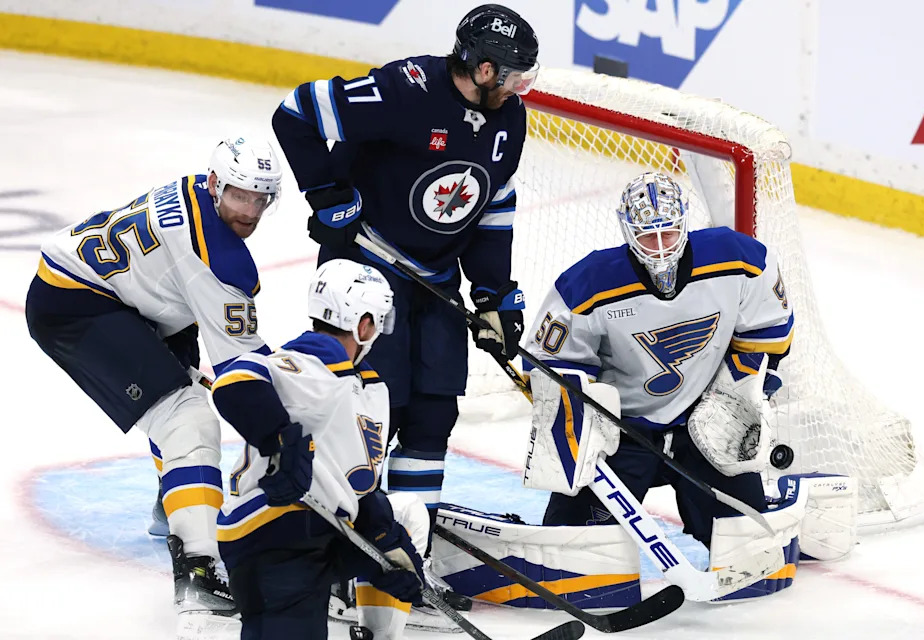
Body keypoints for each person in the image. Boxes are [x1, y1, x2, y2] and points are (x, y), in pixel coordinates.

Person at [271, 5, 539, 557]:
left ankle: (406, 549)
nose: (520, 87)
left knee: (432, 416)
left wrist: (493, 294)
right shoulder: (405, 89)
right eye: (513, 76)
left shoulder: (510, 118)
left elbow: (493, 203)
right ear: (483, 70)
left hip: (436, 284)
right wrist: (327, 195)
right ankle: (334, 545)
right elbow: (294, 112)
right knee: (367, 411)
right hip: (368, 275)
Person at [24, 136, 282, 619]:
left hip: (135, 298)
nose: (249, 210)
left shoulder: (195, 195)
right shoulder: (218, 262)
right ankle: (199, 572)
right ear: (216, 186)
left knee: (179, 400)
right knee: (186, 418)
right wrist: (285, 428)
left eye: (259, 197)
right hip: (77, 305)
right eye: (239, 195)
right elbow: (242, 373)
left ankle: (179, 503)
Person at [523, 172, 795, 549]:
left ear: (684, 222)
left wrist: (735, 399)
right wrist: (593, 422)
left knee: (747, 542)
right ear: (627, 231)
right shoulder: (587, 285)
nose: (661, 247)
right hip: (623, 433)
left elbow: (771, 334)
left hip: (708, 424)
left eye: (668, 232)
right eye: (648, 236)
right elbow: (549, 365)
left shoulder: (739, 260)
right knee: (576, 546)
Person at [212, 259, 429, 640]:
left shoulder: (369, 387)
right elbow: (234, 382)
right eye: (378, 321)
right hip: (274, 533)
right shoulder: (314, 361)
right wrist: (278, 438)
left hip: (323, 532)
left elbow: (360, 484)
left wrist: (387, 547)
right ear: (363, 324)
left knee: (407, 516)